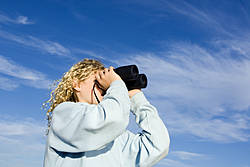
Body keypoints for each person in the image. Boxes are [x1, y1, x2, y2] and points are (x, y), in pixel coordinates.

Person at [43, 58, 170, 167]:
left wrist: (137, 99)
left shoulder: (116, 135)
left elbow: (158, 145)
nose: (104, 88)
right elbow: (108, 119)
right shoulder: (64, 113)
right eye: (97, 82)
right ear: (77, 84)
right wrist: (116, 84)